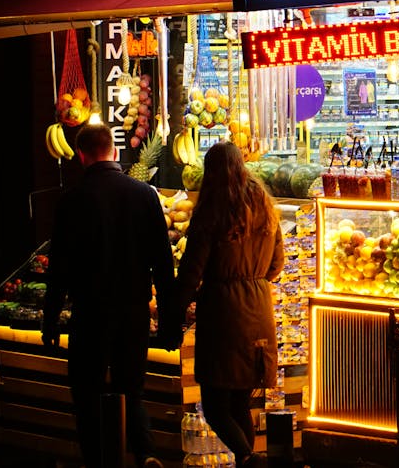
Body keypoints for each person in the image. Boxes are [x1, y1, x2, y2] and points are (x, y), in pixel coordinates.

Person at [42, 123, 174, 468]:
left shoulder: (71, 201)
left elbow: (58, 269)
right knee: (132, 390)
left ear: (81, 156)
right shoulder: (145, 195)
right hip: (133, 311)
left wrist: (50, 320)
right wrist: (169, 322)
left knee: (87, 394)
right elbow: (163, 264)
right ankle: (146, 454)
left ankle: (98, 461)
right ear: (115, 152)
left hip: (89, 313)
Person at [173, 141, 285, 468]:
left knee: (215, 406)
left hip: (224, 315)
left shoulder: (213, 209)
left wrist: (175, 310)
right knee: (239, 404)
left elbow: (192, 271)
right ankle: (247, 461)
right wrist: (253, 280)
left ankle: (249, 459)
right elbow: (277, 265)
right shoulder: (264, 204)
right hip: (259, 310)